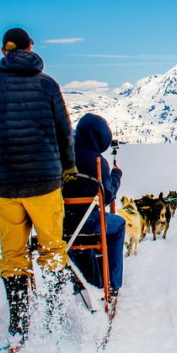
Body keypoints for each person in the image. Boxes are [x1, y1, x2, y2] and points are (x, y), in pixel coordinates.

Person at [0, 27, 77, 348]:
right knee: (52, 248)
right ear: (31, 47)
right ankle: (53, 319)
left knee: (13, 255)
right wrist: (69, 167)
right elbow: (64, 130)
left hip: (4, 185)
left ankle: (19, 326)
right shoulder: (47, 85)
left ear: (4, 51)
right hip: (45, 182)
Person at [68, 113, 125, 298]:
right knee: (118, 225)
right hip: (88, 222)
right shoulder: (98, 161)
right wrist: (116, 177)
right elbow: (107, 196)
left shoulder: (62, 154)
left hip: (59, 222)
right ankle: (113, 283)